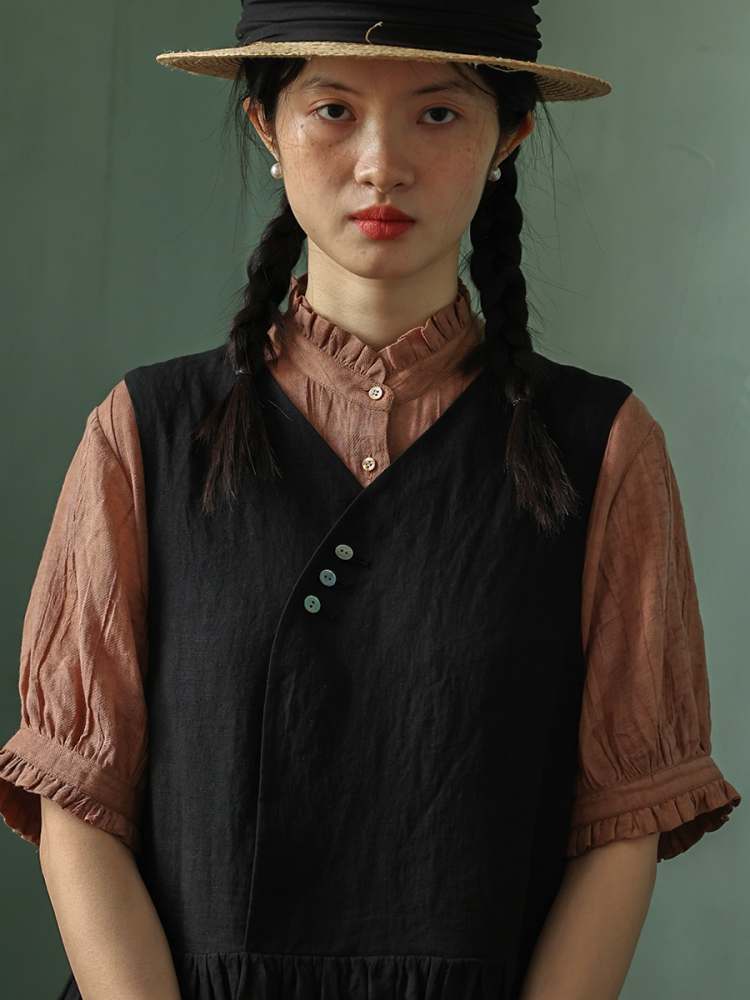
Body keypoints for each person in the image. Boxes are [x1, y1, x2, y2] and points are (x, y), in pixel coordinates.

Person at [0, 2, 742, 998]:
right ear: (266, 126)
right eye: (333, 110)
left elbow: (623, 824)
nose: (382, 164)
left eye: (438, 113)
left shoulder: (603, 446)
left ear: (509, 136)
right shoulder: (144, 432)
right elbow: (77, 803)